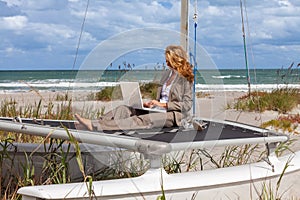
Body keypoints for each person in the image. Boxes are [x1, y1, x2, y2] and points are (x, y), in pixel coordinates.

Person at [75, 45, 194, 131]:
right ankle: (93, 123)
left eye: (169, 61)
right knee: (123, 109)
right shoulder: (166, 75)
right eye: (166, 61)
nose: (166, 64)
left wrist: (163, 105)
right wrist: (151, 104)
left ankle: (95, 126)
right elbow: (162, 97)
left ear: (177, 60)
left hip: (173, 115)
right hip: (158, 109)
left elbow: (187, 105)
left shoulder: (185, 79)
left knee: (142, 120)